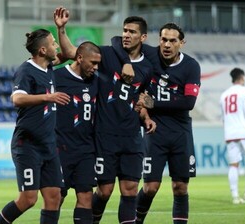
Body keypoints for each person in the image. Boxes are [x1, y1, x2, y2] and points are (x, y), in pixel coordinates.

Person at [54, 7, 156, 224]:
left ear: (143, 37)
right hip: (104, 136)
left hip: (131, 136)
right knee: (105, 191)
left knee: (130, 189)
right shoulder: (107, 54)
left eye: (132, 32)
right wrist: (61, 29)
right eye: (124, 30)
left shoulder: (148, 66)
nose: (126, 35)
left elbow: (143, 97)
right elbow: (73, 51)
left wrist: (146, 111)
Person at [111, 22, 201, 224]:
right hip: (155, 131)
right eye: (163, 39)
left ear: (181, 43)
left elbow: (189, 102)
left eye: (172, 40)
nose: (167, 45)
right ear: (158, 40)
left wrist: (153, 103)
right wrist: (126, 61)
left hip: (181, 133)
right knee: (150, 187)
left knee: (180, 187)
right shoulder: (151, 55)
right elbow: (116, 41)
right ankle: (135, 221)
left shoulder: (191, 66)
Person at [0, 28, 70, 224]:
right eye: (53, 43)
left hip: (48, 145)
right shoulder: (26, 71)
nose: (56, 46)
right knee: (28, 199)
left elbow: (69, 54)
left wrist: (61, 29)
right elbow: (17, 99)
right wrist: (48, 97)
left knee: (54, 196)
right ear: (43, 50)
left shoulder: (50, 66)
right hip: (27, 144)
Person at [54, 41, 101, 223]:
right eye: (93, 63)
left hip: (86, 149)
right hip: (60, 147)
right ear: (79, 58)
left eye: (98, 64)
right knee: (56, 197)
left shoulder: (96, 80)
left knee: (86, 198)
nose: (96, 68)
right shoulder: (57, 76)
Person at [220, 67, 245, 204]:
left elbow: (223, 118)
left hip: (230, 133)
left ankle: (235, 196)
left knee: (233, 165)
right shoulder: (244, 90)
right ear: (241, 77)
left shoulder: (224, 95)